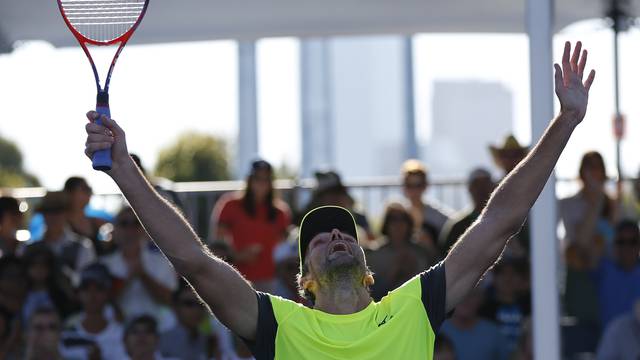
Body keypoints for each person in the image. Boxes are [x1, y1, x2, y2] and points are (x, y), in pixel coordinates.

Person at [82, 41, 595, 359]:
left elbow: (498, 222)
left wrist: (564, 122)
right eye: (320, 237)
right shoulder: (277, 324)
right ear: (303, 279)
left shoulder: (415, 307)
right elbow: (193, 261)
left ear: (367, 263)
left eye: (345, 232)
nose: (335, 236)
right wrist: (124, 170)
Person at [211, 159, 291, 293]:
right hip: (236, 276)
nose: (261, 184)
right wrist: (237, 256)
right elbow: (216, 244)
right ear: (249, 180)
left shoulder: (280, 212)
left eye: (266, 180)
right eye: (257, 179)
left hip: (269, 281)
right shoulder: (230, 205)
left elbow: (283, 251)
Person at [101, 207, 177, 322]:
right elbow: (101, 302)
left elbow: (170, 299)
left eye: (137, 223)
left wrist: (143, 276)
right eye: (124, 223)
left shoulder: (162, 261)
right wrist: (128, 279)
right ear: (115, 230)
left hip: (156, 332)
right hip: (117, 333)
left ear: (145, 229)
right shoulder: (104, 264)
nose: (130, 229)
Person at [366, 202, 438, 300]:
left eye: (403, 219)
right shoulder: (373, 255)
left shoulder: (422, 252)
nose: (398, 224)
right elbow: (371, 294)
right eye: (393, 219)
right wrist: (394, 274)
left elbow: (434, 284)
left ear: (410, 223)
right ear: (386, 223)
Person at [65, 263, 128, 360]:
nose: (92, 295)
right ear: (78, 294)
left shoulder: (122, 335)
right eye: (86, 289)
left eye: (99, 289)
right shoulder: (67, 333)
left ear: (108, 293)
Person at [27, 191, 96, 273]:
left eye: (58, 211)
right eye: (48, 211)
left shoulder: (83, 247)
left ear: (67, 214)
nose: (53, 217)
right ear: (43, 215)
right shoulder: (30, 248)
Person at [439, 168, 495, 254]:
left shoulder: (508, 221)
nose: (482, 189)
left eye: (485, 184)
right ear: (470, 189)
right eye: (477, 185)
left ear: (494, 187)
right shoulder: (458, 226)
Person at [159, 281, 217, 360]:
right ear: (175, 307)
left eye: (201, 304)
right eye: (188, 304)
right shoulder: (159, 341)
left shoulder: (211, 342)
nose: (196, 310)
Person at [400, 159, 452, 246]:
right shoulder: (398, 215)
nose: (414, 191)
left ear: (425, 186)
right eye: (409, 185)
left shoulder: (437, 215)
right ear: (404, 187)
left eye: (418, 185)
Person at [63, 177, 110, 255]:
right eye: (85, 189)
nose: (90, 192)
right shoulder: (60, 225)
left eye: (89, 189)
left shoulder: (97, 223)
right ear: (70, 193)